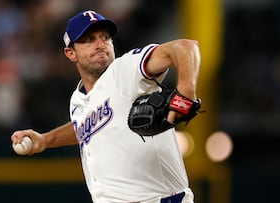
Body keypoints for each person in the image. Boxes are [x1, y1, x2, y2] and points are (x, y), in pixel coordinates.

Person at [11, 10, 201, 203]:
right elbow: (83, 126)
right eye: (89, 39)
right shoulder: (78, 100)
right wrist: (44, 140)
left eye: (105, 38)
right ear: (71, 53)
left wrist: (185, 92)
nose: (100, 44)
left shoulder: (124, 71)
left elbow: (186, 48)